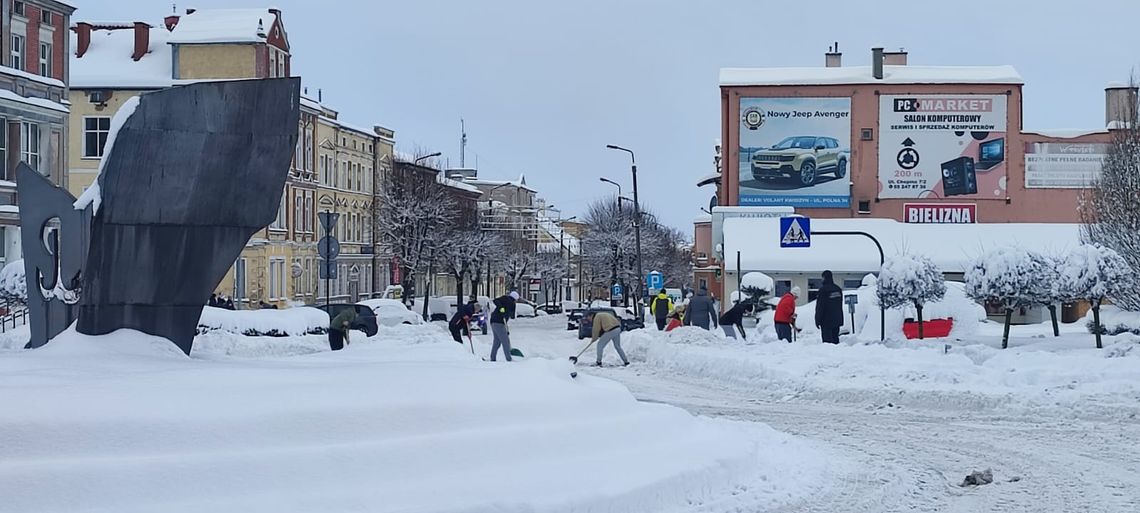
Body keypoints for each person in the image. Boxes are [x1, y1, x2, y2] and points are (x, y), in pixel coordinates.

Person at [816, 270, 844, 344]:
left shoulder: (823, 290)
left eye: (822, 278)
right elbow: (840, 304)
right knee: (835, 340)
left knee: (827, 343)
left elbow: (820, 306)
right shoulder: (838, 289)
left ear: (824, 278)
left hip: (826, 321)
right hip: (837, 320)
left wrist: (817, 319)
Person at [489, 290, 518, 361]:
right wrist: (502, 308)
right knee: (505, 341)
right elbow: (512, 316)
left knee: (497, 341)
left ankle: (493, 358)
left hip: (493, 321)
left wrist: (503, 309)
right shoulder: (510, 302)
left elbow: (495, 301)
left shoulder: (504, 298)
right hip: (499, 322)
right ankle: (509, 359)